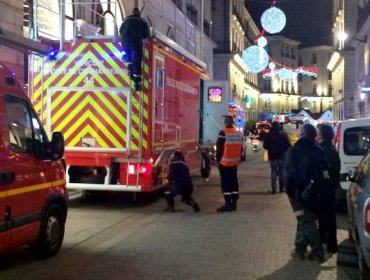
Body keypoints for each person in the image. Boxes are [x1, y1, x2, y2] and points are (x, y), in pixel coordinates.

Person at [284, 123, 326, 263]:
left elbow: (289, 174)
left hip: (299, 192)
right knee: (305, 219)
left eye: (300, 128)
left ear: (302, 133)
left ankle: (318, 252)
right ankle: (299, 248)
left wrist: (290, 193)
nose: (297, 130)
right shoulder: (319, 150)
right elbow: (325, 171)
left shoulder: (294, 150)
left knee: (306, 221)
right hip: (315, 191)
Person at [316, 123, 340, 253]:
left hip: (326, 188)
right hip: (327, 187)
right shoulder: (327, 148)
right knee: (324, 216)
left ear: (322, 135)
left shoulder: (326, 150)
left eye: (318, 132)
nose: (316, 134)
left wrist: (324, 181)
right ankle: (325, 241)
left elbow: (326, 170)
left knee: (327, 216)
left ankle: (330, 244)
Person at [216, 115, 243, 212]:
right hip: (234, 162)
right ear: (232, 123)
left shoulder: (223, 133)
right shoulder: (238, 133)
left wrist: (218, 159)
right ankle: (234, 202)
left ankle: (227, 203)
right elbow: (241, 148)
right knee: (234, 182)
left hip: (224, 163)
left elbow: (219, 148)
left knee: (225, 183)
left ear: (226, 122)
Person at [119, 7, 150, 91]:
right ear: (139, 13)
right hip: (136, 43)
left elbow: (121, 30)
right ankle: (136, 83)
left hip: (125, 42)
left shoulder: (127, 20)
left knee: (129, 58)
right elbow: (146, 34)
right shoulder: (142, 21)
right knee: (136, 61)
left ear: (132, 13)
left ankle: (129, 70)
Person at [263, 121, 291, 194]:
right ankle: (281, 188)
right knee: (281, 171)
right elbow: (288, 144)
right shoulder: (283, 134)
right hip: (282, 155)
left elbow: (265, 146)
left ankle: (274, 188)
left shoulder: (269, 134)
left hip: (272, 156)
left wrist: (270, 148)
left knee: (273, 171)